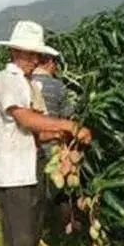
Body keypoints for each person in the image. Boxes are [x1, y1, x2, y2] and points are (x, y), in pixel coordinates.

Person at [0, 20, 92, 246]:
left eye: (37, 56)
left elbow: (37, 132)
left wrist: (64, 137)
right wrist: (68, 124)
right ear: (13, 52)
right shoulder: (6, 79)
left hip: (30, 169)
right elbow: (25, 119)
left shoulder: (30, 85)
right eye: (28, 54)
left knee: (29, 238)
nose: (33, 60)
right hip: (11, 173)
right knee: (21, 241)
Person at [32, 52, 75, 229]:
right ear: (49, 62)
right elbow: (67, 117)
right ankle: (64, 227)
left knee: (37, 190)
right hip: (54, 146)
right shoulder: (57, 86)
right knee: (60, 190)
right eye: (55, 63)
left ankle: (41, 227)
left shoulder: (24, 83)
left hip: (30, 147)